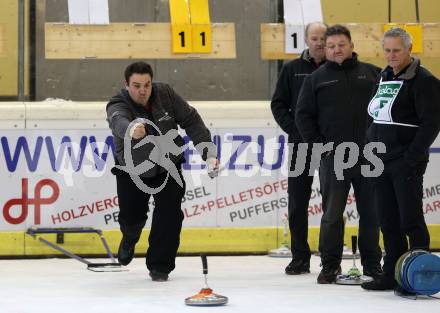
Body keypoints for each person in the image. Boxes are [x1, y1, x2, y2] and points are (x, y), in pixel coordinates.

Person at [106, 61, 218, 281]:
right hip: (132, 169)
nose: (142, 91)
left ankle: (160, 266)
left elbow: (191, 119)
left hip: (168, 164)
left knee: (170, 214)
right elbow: (117, 120)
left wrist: (209, 154)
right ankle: (130, 237)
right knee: (132, 216)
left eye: (146, 85)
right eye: (136, 85)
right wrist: (130, 129)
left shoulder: (165, 93)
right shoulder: (118, 102)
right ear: (126, 84)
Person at [296, 24, 383, 284]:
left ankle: (372, 265)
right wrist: (319, 146)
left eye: (341, 45)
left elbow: (386, 110)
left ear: (351, 45)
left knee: (372, 213)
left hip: (370, 155)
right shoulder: (317, 78)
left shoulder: (372, 74)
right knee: (332, 214)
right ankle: (330, 265)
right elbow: (303, 115)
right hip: (334, 156)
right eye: (331, 46)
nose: (336, 49)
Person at [361, 28, 440, 291]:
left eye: (397, 50)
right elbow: (374, 115)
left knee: (410, 219)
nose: (391, 55)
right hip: (380, 160)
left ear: (409, 49)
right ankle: (392, 273)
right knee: (388, 220)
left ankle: (417, 274)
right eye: (387, 50)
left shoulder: (424, 80)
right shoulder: (383, 76)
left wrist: (411, 157)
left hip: (405, 161)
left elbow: (431, 123)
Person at [271, 22, 327, 275]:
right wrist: (294, 130)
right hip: (300, 145)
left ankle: (330, 256)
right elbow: (278, 104)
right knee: (297, 203)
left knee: (332, 202)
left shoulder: (335, 69)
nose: (319, 43)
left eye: (323, 38)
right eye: (314, 38)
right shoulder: (292, 69)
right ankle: (300, 257)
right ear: (306, 40)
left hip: (331, 145)